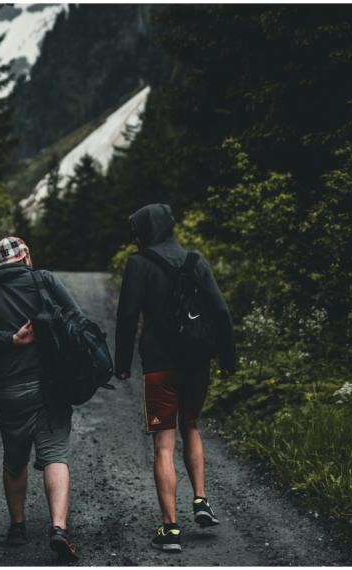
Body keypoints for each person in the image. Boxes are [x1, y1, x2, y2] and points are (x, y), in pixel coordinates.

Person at [114, 203, 236, 553]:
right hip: (198, 360)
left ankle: (170, 529)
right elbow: (221, 311)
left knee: (163, 443)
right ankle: (200, 498)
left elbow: (126, 317)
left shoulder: (139, 264)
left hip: (160, 364)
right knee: (192, 425)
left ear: (143, 231)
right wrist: (228, 359)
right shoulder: (196, 261)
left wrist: (122, 364)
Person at [0, 236, 80, 561]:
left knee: (14, 461)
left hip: (7, 391)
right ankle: (59, 527)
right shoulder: (43, 281)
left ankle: (17, 527)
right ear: (25, 254)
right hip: (49, 387)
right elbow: (75, 317)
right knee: (55, 455)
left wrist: (9, 339)